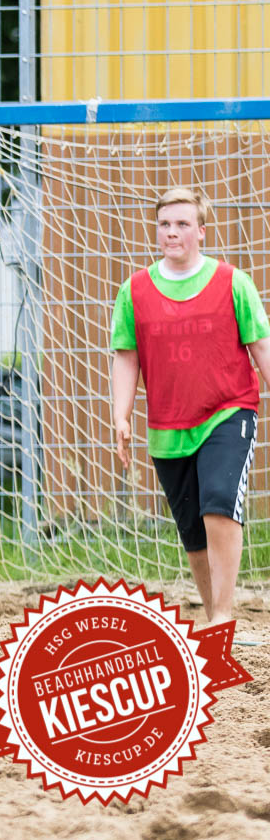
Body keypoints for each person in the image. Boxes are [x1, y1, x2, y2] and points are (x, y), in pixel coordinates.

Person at [110, 186, 270, 628]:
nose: (172, 232)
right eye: (165, 224)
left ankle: (222, 614)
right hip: (167, 425)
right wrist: (121, 415)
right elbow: (126, 355)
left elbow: (261, 345)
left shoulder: (233, 282)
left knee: (219, 501)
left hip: (228, 410)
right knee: (192, 529)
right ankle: (210, 607)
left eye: (182, 224)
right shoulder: (135, 290)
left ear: (201, 230)